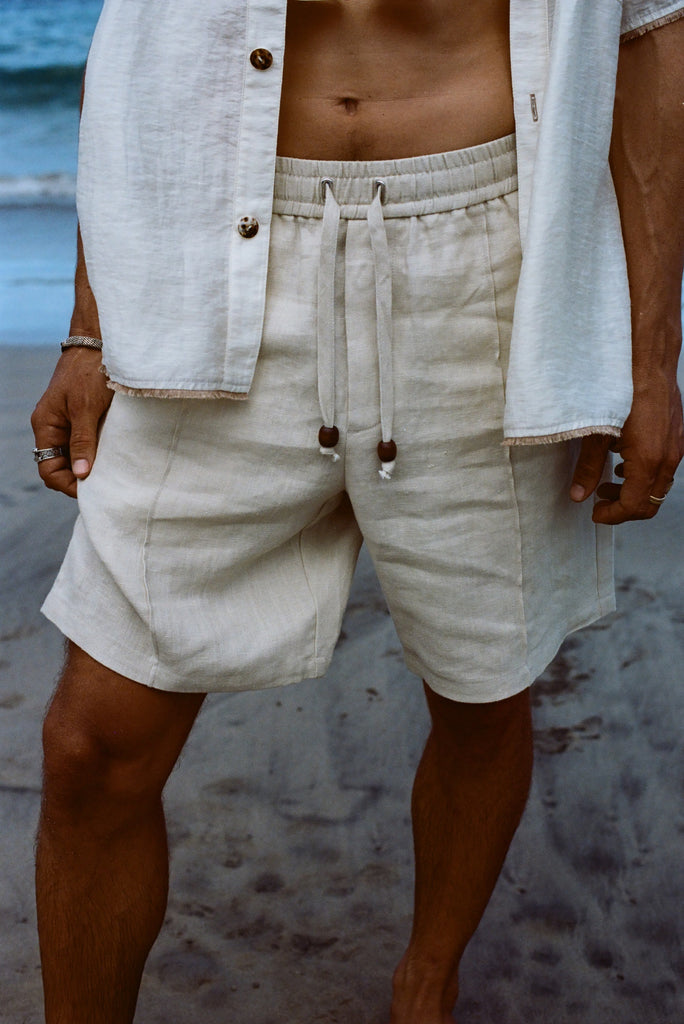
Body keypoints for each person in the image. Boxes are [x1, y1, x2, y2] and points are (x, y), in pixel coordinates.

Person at [30, 1, 684, 1021]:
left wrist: (648, 362)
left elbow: (649, 37)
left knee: (483, 684)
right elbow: (146, 54)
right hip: (216, 259)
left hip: (490, 265)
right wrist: (88, 327)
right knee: (91, 741)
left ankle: (427, 977)